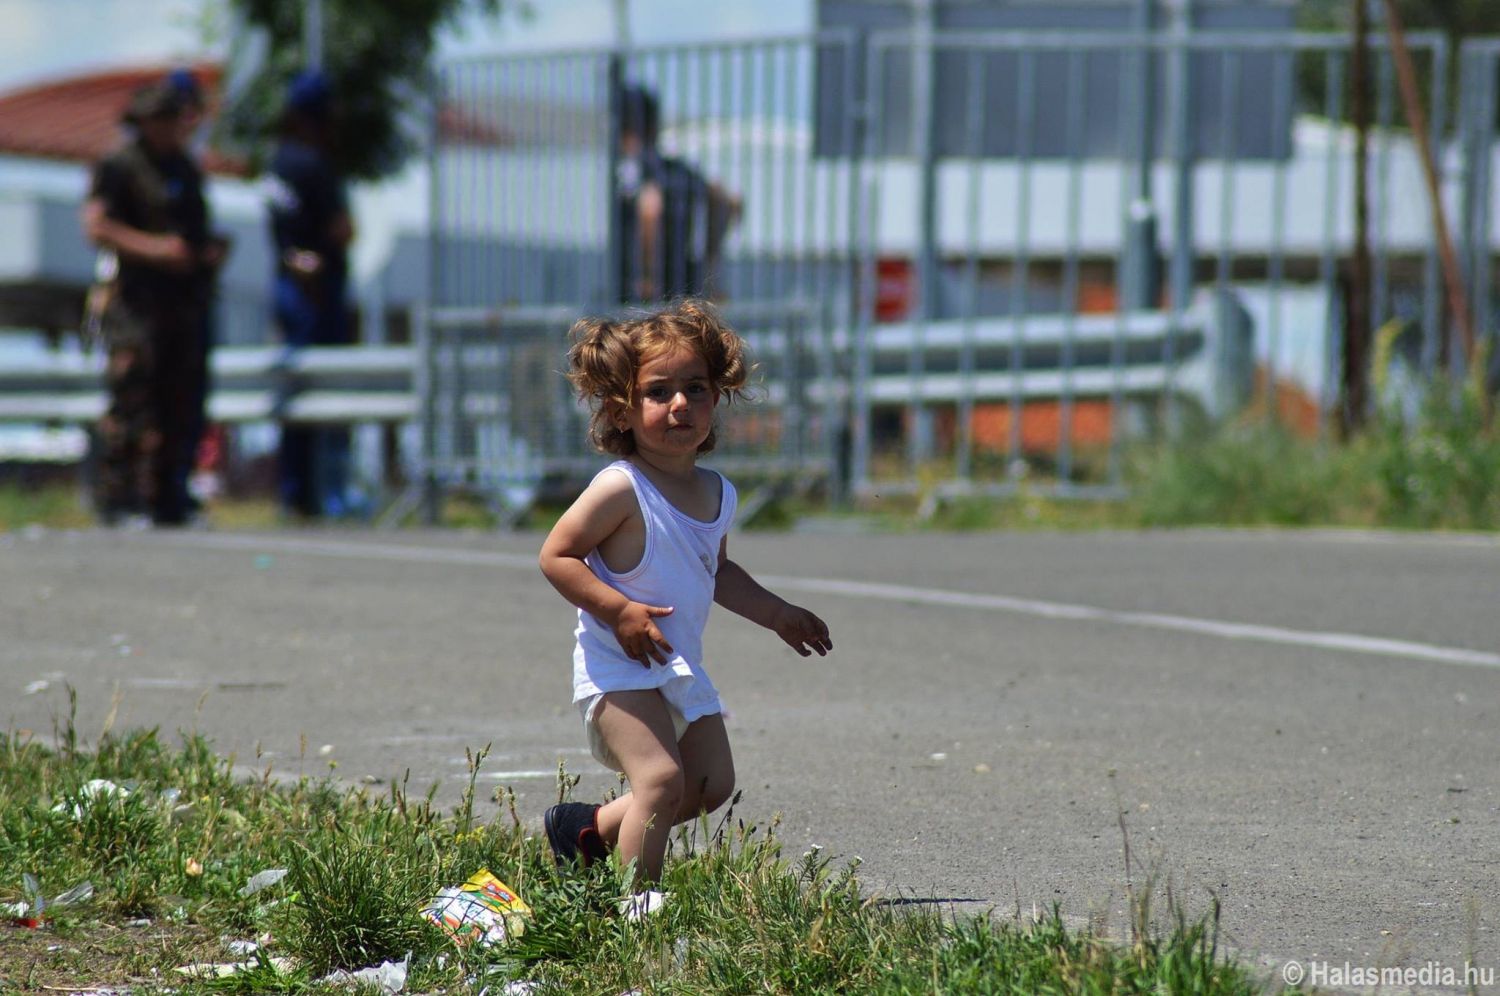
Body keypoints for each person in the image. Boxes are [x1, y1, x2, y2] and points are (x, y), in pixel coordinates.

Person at [537, 299, 832, 908]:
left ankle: (586, 830)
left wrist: (778, 614)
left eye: (695, 388)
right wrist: (619, 611)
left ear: (717, 397)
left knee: (708, 783)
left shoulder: (717, 492)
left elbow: (716, 570)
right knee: (661, 780)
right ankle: (635, 907)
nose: (680, 404)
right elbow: (557, 555)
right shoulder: (621, 487)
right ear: (621, 409)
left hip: (677, 665)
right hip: (619, 669)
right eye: (658, 392)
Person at [82, 82, 224, 526]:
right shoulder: (120, 165)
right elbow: (97, 227)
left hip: (182, 301)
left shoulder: (185, 166)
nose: (168, 127)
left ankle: (169, 497)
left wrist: (205, 254)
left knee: (180, 400)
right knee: (132, 397)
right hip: (136, 303)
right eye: (159, 119)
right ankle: (118, 498)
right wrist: (154, 249)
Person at [264, 68, 355, 518]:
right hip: (317, 292)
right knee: (326, 389)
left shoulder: (277, 161)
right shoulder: (315, 164)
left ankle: (297, 493)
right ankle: (326, 493)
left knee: (297, 387)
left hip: (290, 287)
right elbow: (342, 229)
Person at [616, 85, 741, 303]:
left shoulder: (627, 168)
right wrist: (710, 265)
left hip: (639, 295)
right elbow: (729, 201)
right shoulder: (675, 170)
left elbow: (650, 209)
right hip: (684, 287)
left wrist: (647, 277)